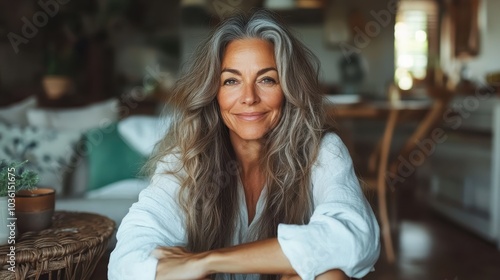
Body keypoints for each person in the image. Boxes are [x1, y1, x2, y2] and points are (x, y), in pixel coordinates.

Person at [108, 9, 380, 280]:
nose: (249, 97)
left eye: (266, 79)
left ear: (288, 88)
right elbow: (125, 263)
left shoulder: (322, 151)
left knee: (329, 275)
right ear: (214, 93)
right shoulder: (187, 158)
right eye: (231, 81)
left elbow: (354, 240)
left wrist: (207, 261)